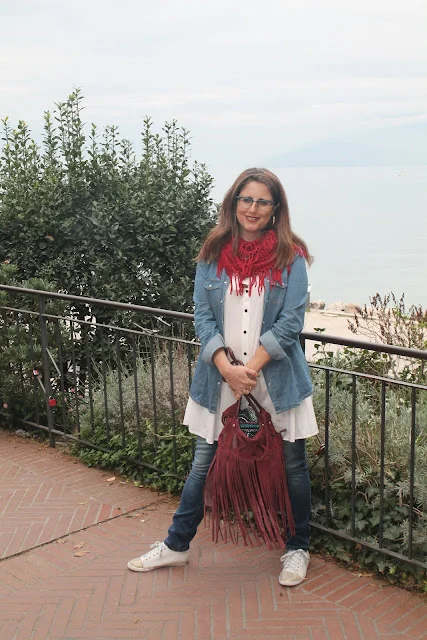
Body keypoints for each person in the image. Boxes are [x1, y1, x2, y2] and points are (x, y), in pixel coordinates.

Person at [127, 168, 318, 587]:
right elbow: (202, 316)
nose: (253, 208)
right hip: (220, 380)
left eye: (263, 201)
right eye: (246, 199)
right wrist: (227, 369)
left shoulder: (291, 258)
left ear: (275, 209)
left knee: (293, 466)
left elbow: (291, 322)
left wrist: (250, 370)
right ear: (234, 203)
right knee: (202, 464)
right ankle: (177, 544)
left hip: (277, 381)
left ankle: (297, 547)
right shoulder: (213, 253)